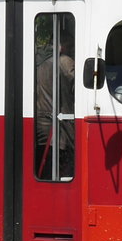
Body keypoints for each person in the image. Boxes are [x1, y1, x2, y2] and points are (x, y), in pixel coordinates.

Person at [35, 29, 75, 179]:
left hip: (40, 128)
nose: (72, 51)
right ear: (63, 46)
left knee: (43, 169)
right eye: (70, 46)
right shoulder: (65, 62)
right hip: (60, 129)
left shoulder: (37, 61)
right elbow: (82, 89)